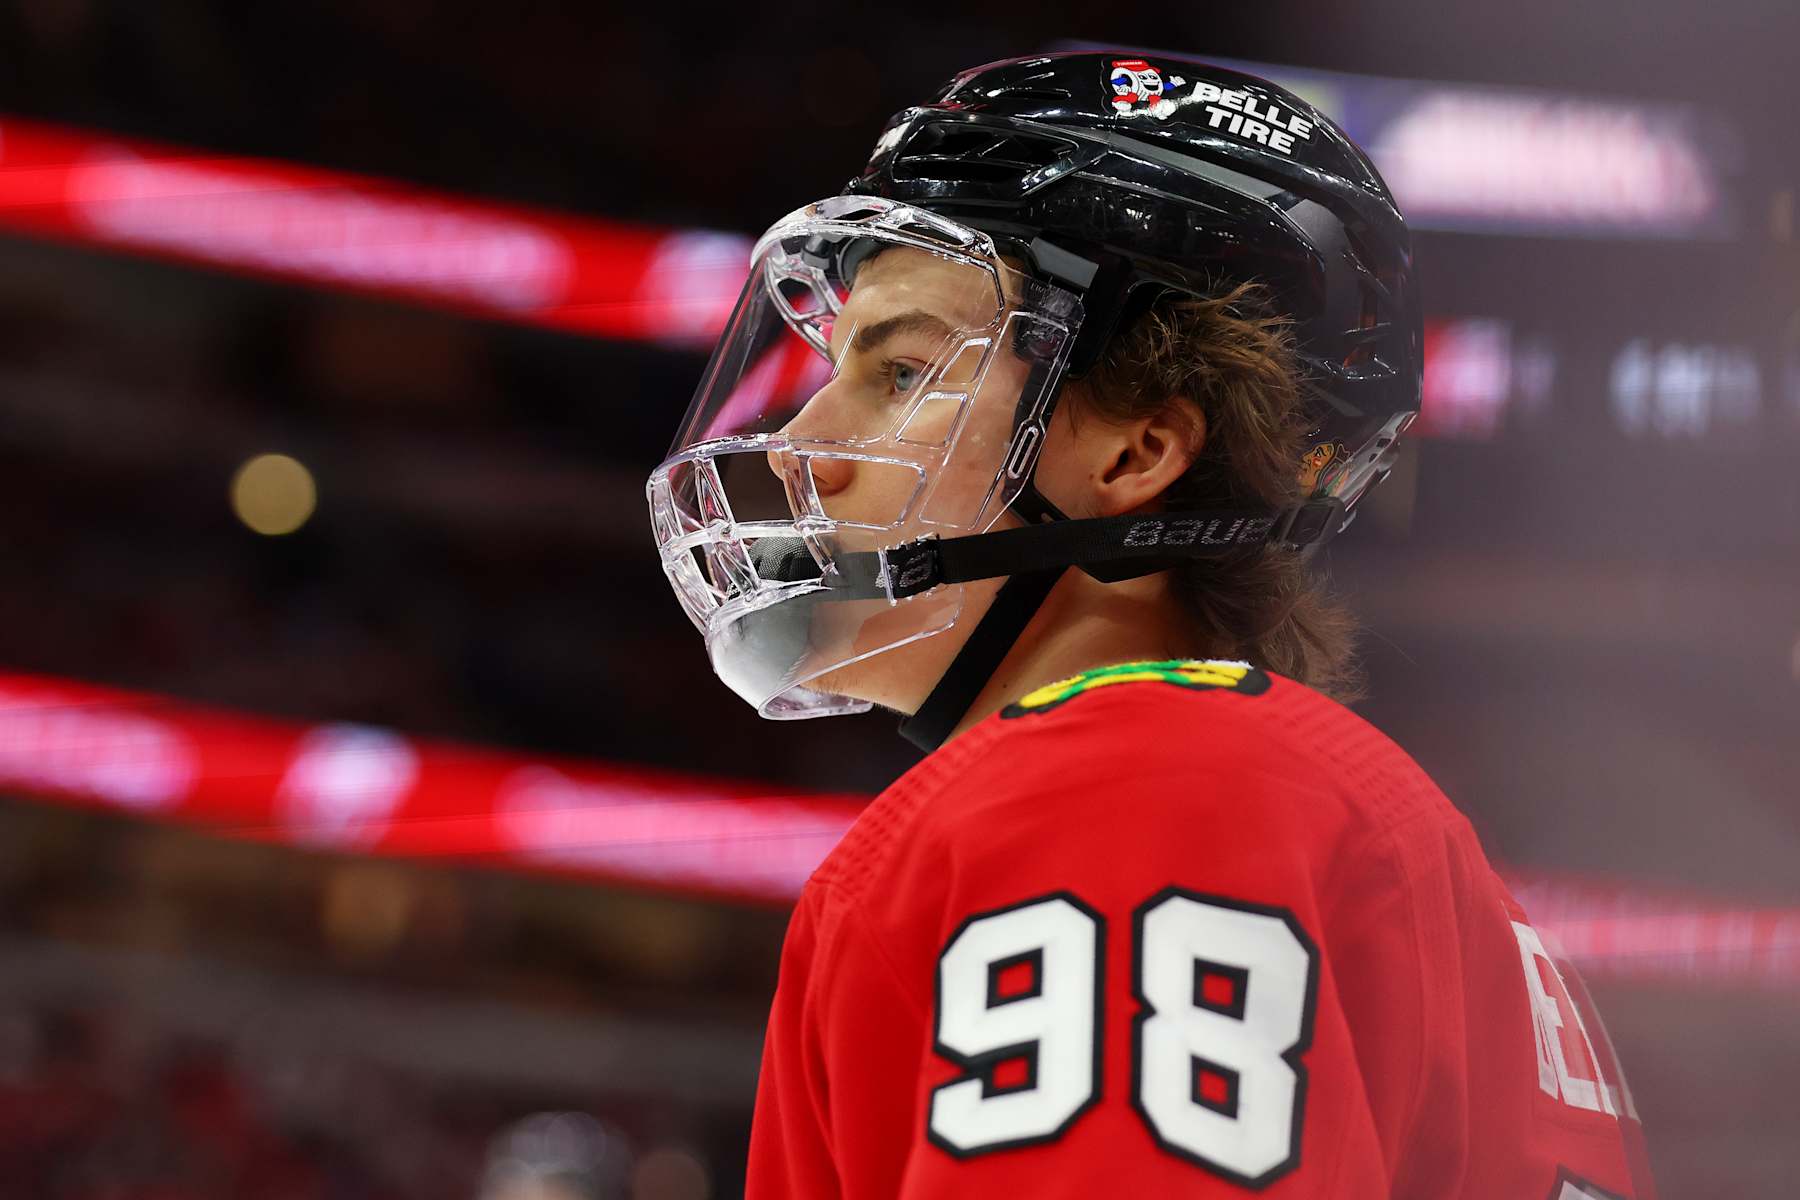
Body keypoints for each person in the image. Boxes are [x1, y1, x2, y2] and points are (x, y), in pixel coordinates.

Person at [647, 51, 1657, 1199]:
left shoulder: (1120, 790)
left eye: (903, 373)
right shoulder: (1343, 828)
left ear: (1137, 451)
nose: (801, 447)